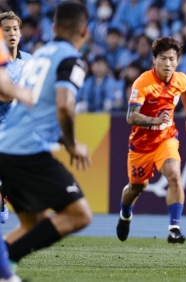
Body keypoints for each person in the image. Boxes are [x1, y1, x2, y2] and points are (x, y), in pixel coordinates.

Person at [0, 0, 92, 268]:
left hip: (5, 147)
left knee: (33, 225)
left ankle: (7, 268)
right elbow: (64, 106)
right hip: (27, 151)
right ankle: (6, 263)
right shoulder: (71, 59)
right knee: (80, 215)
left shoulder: (38, 55)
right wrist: (73, 145)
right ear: (84, 31)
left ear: (52, 27)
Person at [116, 36, 186, 244]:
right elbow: (130, 117)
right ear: (155, 60)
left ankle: (174, 228)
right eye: (163, 58)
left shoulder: (179, 79)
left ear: (177, 61)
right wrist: (155, 120)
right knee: (137, 188)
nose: (168, 63)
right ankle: (125, 214)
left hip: (166, 138)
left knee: (174, 175)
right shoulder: (143, 82)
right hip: (141, 145)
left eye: (172, 59)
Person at [0, 11, 33, 224]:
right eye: (6, 30)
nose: (12, 33)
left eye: (15, 29)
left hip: (21, 127)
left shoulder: (29, 61)